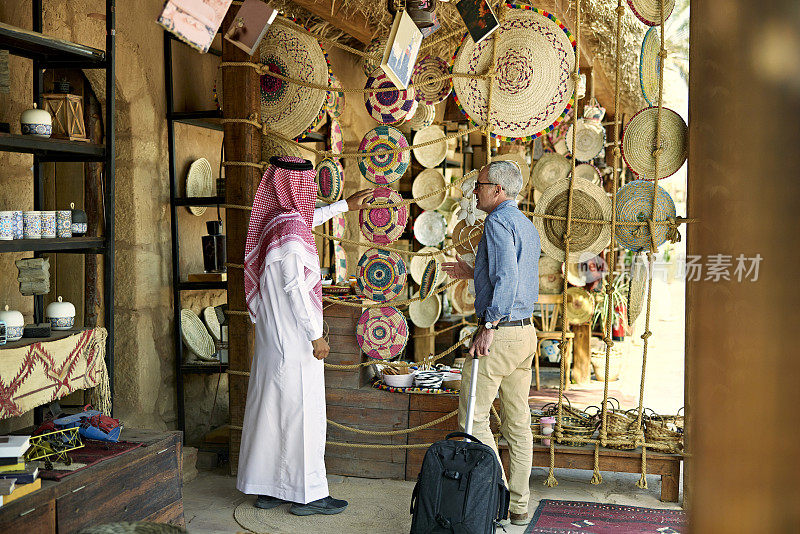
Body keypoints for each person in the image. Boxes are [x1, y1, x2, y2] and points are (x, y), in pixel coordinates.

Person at [238, 156, 371, 516]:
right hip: (296, 341)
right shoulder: (291, 234)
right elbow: (296, 287)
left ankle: (271, 488)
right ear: (297, 186)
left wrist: (346, 205)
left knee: (272, 414)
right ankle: (309, 494)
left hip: (273, 338)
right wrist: (316, 336)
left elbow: (304, 220)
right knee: (304, 418)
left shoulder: (276, 223)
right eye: (308, 185)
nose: (310, 191)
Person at [442, 160, 540, 526]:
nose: (475, 191)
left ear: (498, 190)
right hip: (525, 334)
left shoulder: (497, 222)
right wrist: (474, 272)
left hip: (500, 333)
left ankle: (495, 493)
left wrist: (489, 325)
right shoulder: (525, 224)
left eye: (480, 184)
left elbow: (508, 277)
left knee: (472, 417)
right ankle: (518, 505)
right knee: (517, 423)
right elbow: (512, 271)